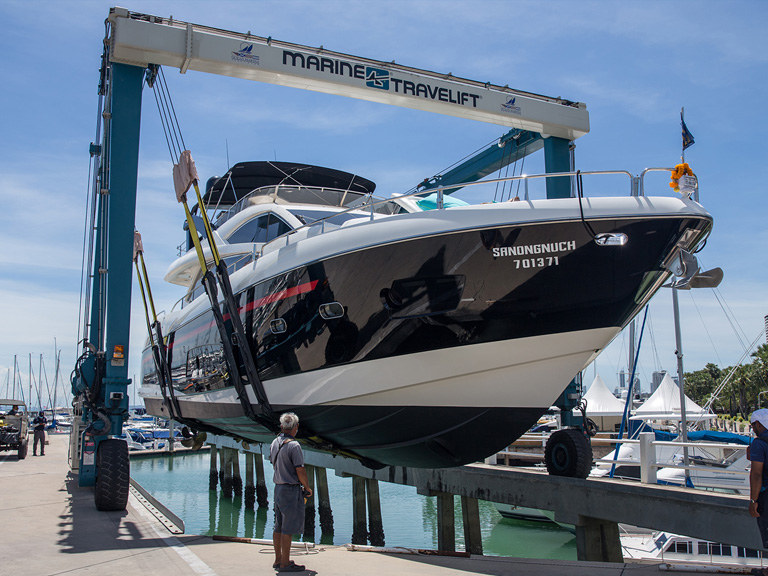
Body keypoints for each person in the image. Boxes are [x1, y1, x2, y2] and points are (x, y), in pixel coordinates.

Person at [270, 412, 311, 573]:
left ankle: (278, 559)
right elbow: (300, 470)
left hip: (278, 488)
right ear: (296, 427)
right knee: (288, 527)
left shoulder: (275, 442)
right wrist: (307, 487)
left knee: (278, 525)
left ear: (281, 426)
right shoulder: (294, 446)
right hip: (290, 489)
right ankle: (285, 563)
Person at [748, 408, 768, 575]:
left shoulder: (759, 444)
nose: (752, 428)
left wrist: (753, 501)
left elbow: (756, 473)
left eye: (753, 425)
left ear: (760, 425)